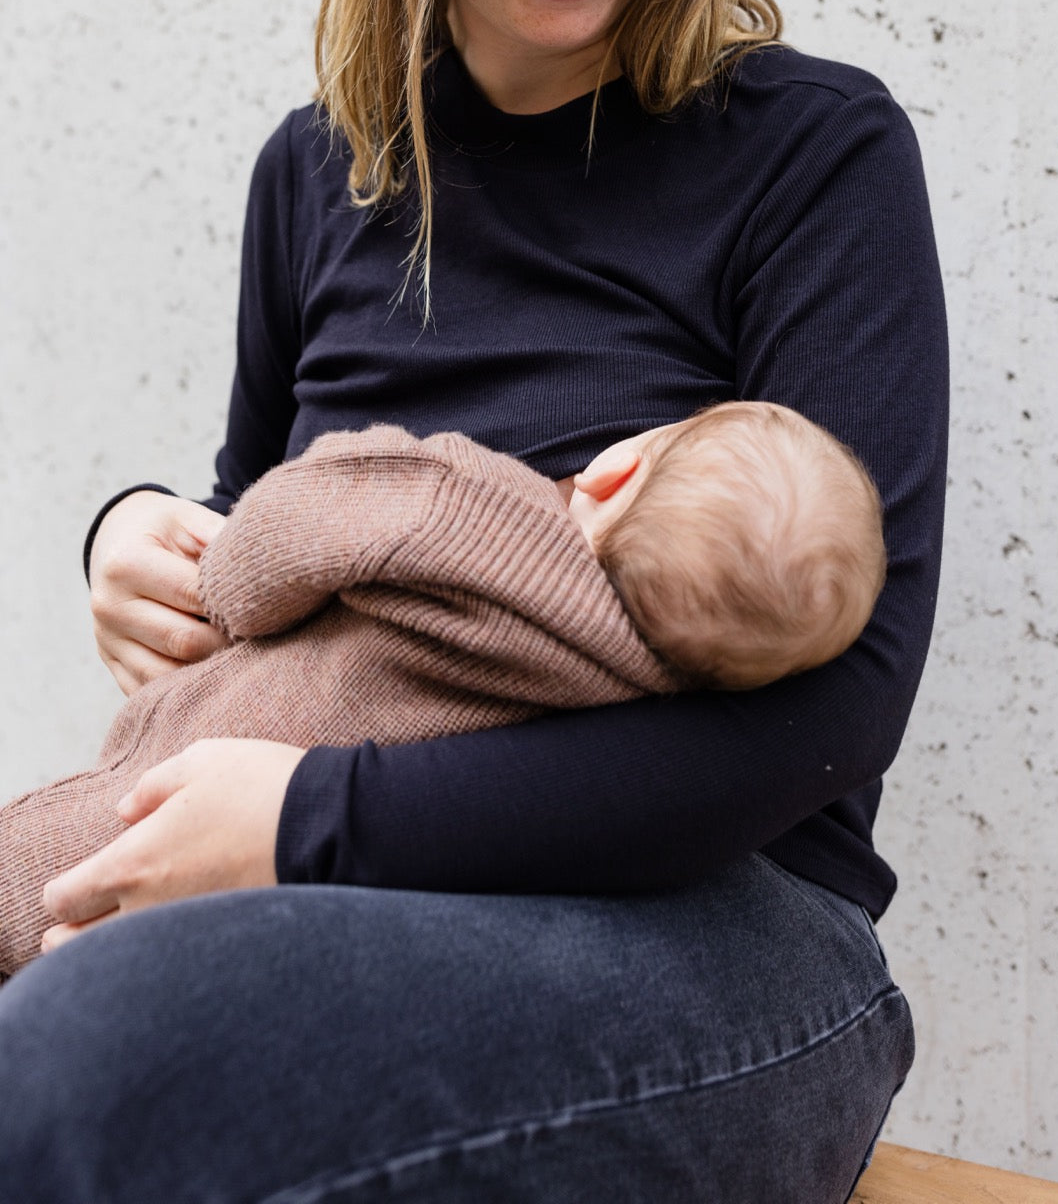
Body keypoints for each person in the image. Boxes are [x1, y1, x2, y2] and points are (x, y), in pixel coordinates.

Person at [0, 0, 947, 1203]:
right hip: (346, 901)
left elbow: (825, 716)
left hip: (720, 936)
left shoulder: (812, 158)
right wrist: (133, 542)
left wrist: (308, 824)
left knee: (100, 1052)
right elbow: (269, 555)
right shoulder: (323, 169)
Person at [0, 401, 886, 978]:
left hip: (200, 773)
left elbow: (295, 522)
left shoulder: (465, 509)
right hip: (301, 902)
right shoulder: (629, 699)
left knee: (39, 870)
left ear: (617, 470)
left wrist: (223, 587)